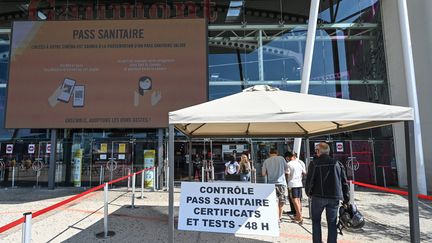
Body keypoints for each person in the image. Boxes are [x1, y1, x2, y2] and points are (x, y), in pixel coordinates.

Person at [305, 142, 350, 243]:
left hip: (318, 196)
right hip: (334, 197)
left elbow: (310, 180)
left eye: (316, 150)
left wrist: (308, 193)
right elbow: (344, 182)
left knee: (316, 222)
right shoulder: (337, 163)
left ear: (318, 151)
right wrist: (346, 199)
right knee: (332, 223)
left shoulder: (314, 163)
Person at [262, 149, 288, 222]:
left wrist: (269, 173)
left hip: (271, 184)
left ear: (269, 153)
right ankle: (280, 217)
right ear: (277, 153)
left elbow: (263, 174)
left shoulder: (266, 161)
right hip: (282, 183)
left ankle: (276, 218)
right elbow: (287, 169)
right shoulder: (281, 158)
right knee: (281, 202)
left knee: (274, 202)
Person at [286, 152, 306, 224]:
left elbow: (287, 174)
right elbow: (304, 172)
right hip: (299, 183)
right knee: (298, 200)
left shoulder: (289, 164)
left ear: (288, 157)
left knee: (294, 200)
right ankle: (298, 215)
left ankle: (300, 217)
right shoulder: (299, 163)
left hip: (292, 184)